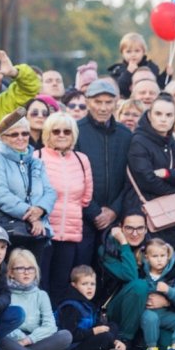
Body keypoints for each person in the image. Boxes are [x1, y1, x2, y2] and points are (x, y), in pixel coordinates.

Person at [0, 116, 56, 282]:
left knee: (35, 281)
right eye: (14, 134)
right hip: (12, 232)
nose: (21, 138)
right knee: (11, 279)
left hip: (38, 232)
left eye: (25, 133)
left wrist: (40, 210)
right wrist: (30, 214)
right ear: (3, 137)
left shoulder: (36, 162)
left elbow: (50, 192)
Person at [123, 94, 175, 249]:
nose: (163, 119)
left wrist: (167, 173)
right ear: (150, 115)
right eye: (158, 114)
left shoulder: (173, 144)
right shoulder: (139, 142)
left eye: (169, 115)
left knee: (169, 261)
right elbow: (147, 180)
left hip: (170, 216)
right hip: (144, 213)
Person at [75, 79, 132, 266]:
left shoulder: (126, 135)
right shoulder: (76, 131)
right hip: (83, 217)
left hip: (115, 218)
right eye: (98, 102)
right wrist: (94, 211)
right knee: (83, 270)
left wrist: (114, 210)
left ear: (116, 103)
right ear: (88, 101)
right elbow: (73, 176)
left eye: (108, 102)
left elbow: (130, 178)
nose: (103, 108)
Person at [37, 113, 92, 305]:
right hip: (43, 232)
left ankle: (58, 327)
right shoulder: (37, 157)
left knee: (61, 283)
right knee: (40, 282)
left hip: (70, 233)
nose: (61, 135)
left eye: (66, 131)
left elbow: (86, 197)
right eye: (56, 131)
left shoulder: (81, 159)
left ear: (74, 134)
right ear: (47, 134)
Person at [0, 249, 72, 350]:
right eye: (20, 268)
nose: (26, 272)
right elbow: (3, 325)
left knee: (65, 336)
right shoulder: (5, 294)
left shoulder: (41, 295)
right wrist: (21, 338)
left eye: (30, 268)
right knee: (0, 339)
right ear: (11, 273)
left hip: (35, 339)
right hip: (13, 339)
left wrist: (29, 339)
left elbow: (50, 326)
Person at [98, 213, 149, 350]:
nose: (135, 233)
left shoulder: (151, 247)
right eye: (129, 228)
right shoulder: (108, 248)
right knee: (139, 286)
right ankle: (125, 340)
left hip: (147, 306)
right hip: (116, 308)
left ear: (146, 229)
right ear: (120, 228)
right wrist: (124, 244)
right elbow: (130, 276)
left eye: (140, 228)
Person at [56, 265, 126, 350]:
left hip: (85, 340)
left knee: (112, 326)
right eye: (84, 284)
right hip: (72, 348)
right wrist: (93, 331)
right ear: (74, 285)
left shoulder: (88, 304)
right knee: (106, 337)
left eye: (92, 284)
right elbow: (70, 335)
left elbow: (98, 325)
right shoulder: (70, 306)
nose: (89, 288)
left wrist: (116, 340)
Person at [138, 239, 175, 350]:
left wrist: (169, 290)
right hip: (147, 312)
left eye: (162, 256)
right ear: (147, 257)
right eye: (155, 256)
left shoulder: (172, 276)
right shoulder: (142, 274)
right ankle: (151, 348)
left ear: (168, 256)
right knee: (151, 318)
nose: (159, 259)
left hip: (165, 314)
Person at [107, 32, 169, 99]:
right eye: (128, 51)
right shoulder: (118, 70)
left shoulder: (151, 67)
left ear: (143, 52)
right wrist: (128, 73)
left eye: (137, 51)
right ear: (122, 53)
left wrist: (167, 74)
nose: (133, 54)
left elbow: (160, 85)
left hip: (148, 100)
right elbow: (118, 88)